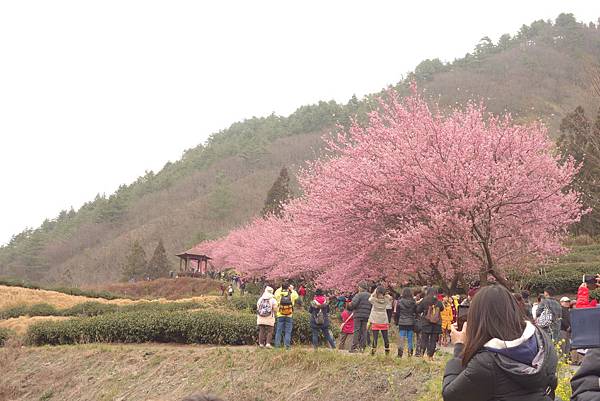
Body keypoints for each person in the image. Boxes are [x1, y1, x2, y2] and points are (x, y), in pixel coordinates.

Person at [442, 285, 558, 401]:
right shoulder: (542, 339)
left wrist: (459, 347)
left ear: (478, 319)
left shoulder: (486, 362)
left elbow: (451, 395)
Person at [417, 287, 444, 360]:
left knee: (424, 339)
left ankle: (421, 355)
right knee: (433, 340)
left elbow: (418, 310)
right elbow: (442, 309)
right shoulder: (438, 301)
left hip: (426, 322)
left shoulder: (424, 300)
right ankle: (430, 356)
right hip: (436, 323)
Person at [273, 282, 299, 349]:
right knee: (288, 331)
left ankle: (277, 346)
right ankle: (287, 347)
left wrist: (281, 288)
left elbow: (275, 295)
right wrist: (292, 289)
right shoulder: (292, 294)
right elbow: (297, 296)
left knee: (279, 331)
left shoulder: (278, 293)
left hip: (280, 314)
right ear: (288, 287)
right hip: (289, 315)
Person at [348, 282, 372, 353]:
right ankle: (362, 347)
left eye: (359, 287)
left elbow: (353, 304)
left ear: (361, 287)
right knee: (364, 331)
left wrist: (348, 305)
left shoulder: (358, 295)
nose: (358, 288)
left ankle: (354, 347)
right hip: (366, 315)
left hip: (358, 315)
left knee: (356, 330)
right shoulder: (370, 296)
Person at [368, 285, 393, 355]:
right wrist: (386, 294)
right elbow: (390, 298)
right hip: (383, 321)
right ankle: (387, 352)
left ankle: (373, 353)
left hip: (375, 321)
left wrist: (374, 292)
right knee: (385, 337)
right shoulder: (386, 300)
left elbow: (369, 299)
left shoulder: (374, 300)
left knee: (375, 338)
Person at [395, 287, 417, 358]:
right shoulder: (413, 302)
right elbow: (415, 312)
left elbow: (397, 313)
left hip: (402, 322)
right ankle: (410, 354)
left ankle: (400, 354)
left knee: (401, 338)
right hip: (410, 322)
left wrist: (396, 322)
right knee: (410, 339)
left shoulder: (399, 302)